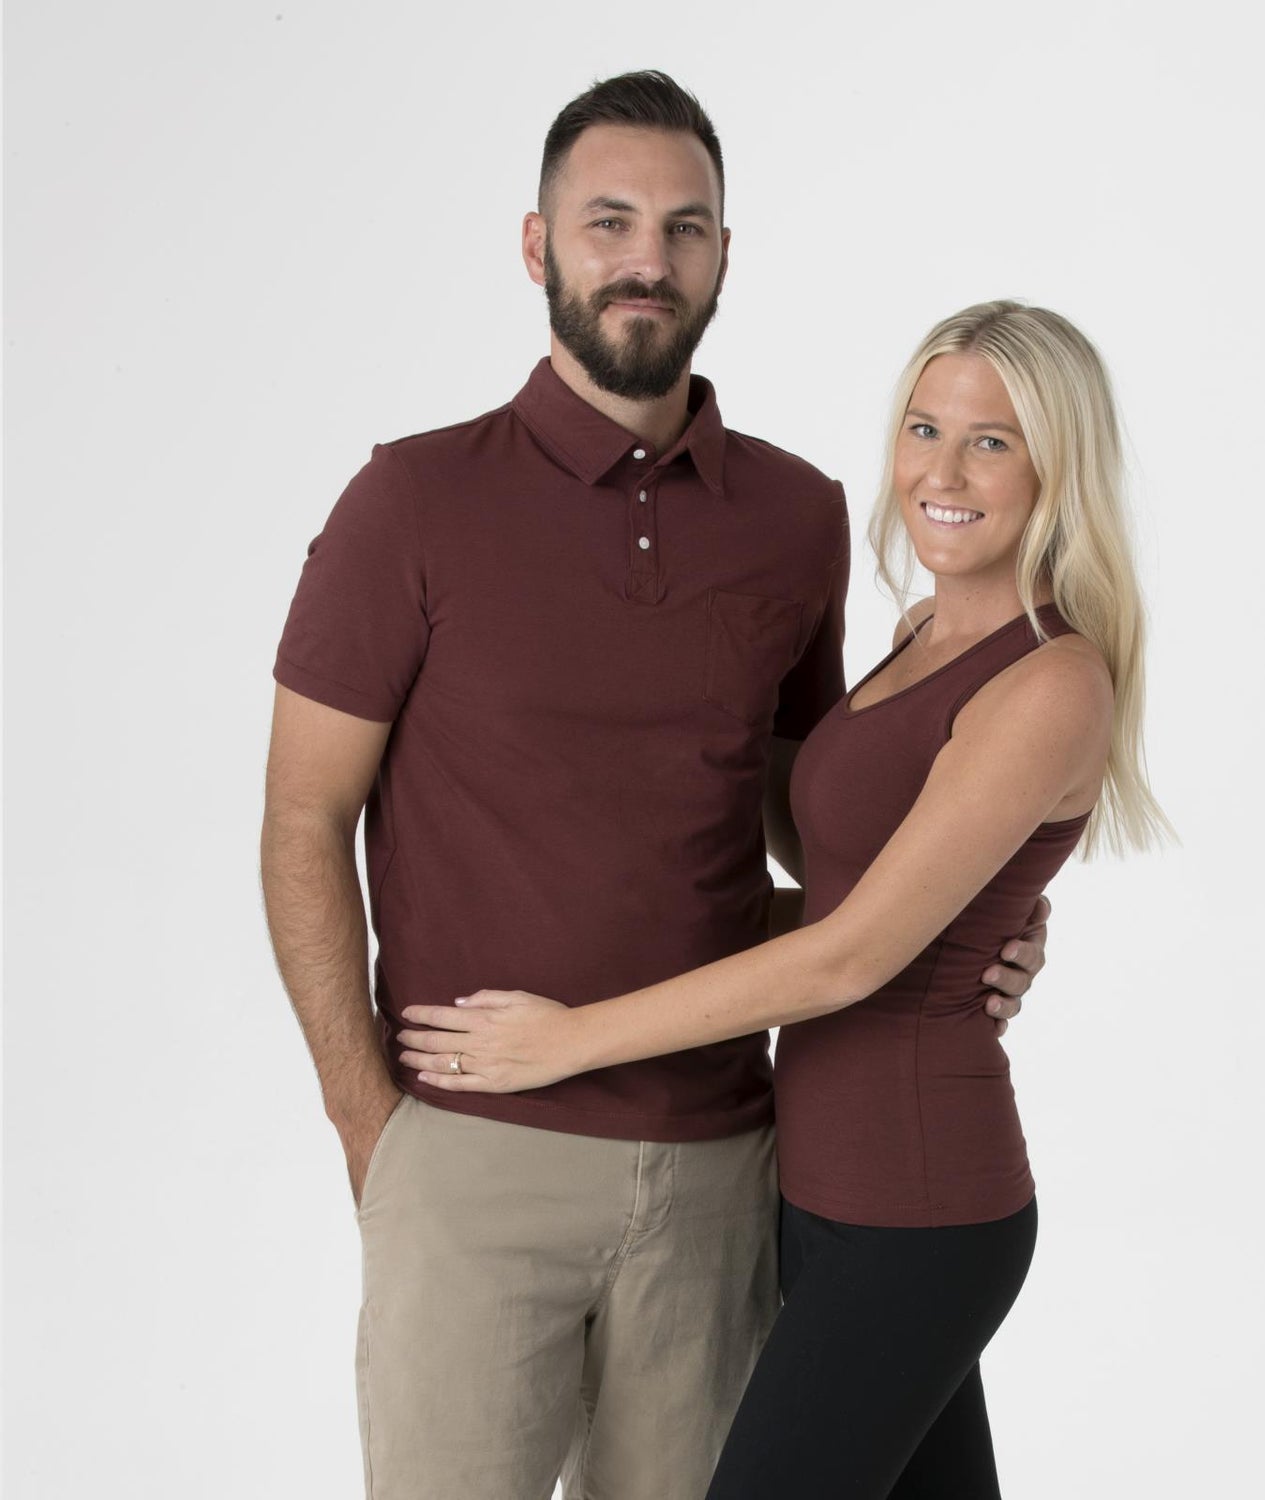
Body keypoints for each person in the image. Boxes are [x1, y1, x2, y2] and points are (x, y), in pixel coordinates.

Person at [259, 74, 1047, 1500]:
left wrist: (966, 918)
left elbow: (816, 815)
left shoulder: (796, 517)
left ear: (724, 255)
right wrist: (372, 1127)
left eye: (685, 228)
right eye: (608, 221)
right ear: (537, 245)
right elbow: (301, 819)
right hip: (475, 1159)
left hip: (723, 1171)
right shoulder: (412, 502)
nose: (648, 259)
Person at [395, 299, 1171, 1498]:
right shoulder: (924, 629)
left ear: (1058, 469)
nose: (942, 473)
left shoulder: (1051, 684)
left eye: (992, 442)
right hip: (821, 1191)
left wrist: (567, 1040)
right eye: (924, 428)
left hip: (916, 1212)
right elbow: (839, 864)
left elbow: (846, 956)